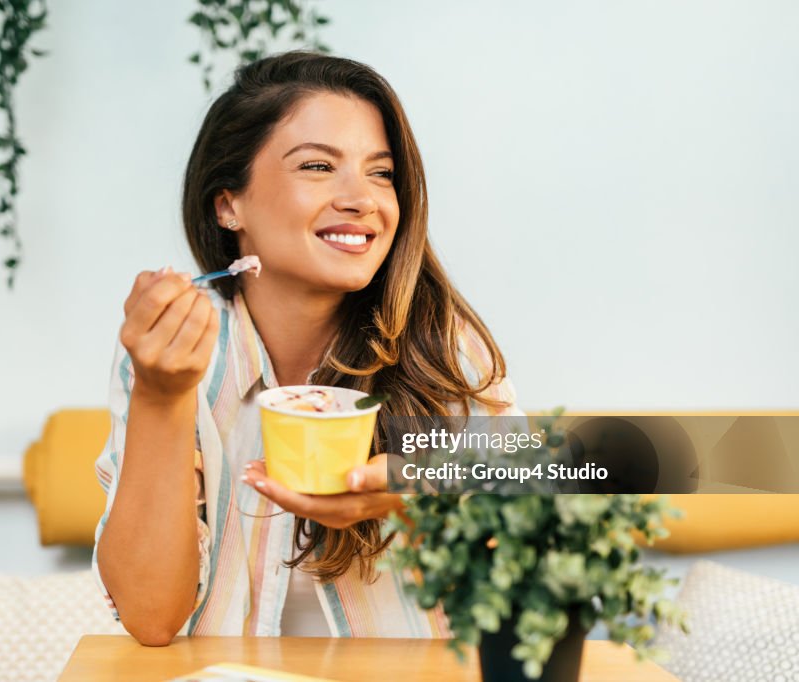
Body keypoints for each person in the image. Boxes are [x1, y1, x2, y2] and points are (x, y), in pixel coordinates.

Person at [92, 51, 521, 647]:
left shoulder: (444, 352)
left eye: (381, 172)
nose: (362, 199)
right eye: (318, 166)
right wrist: (162, 399)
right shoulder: (173, 356)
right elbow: (150, 616)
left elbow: (530, 551)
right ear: (228, 204)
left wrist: (414, 502)